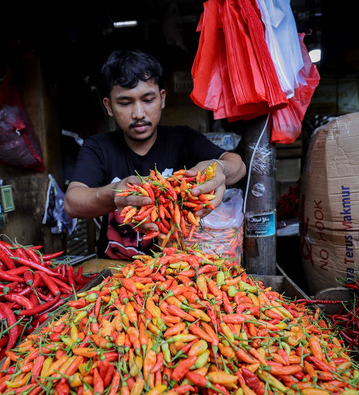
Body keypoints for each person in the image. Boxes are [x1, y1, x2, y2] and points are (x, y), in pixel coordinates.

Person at [64, 49, 246, 259]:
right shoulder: (98, 147)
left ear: (162, 99)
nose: (139, 113)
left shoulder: (183, 139)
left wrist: (219, 169)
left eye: (148, 100)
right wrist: (114, 193)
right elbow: (72, 203)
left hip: (177, 268)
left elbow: (237, 165)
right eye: (125, 103)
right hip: (116, 271)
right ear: (109, 107)